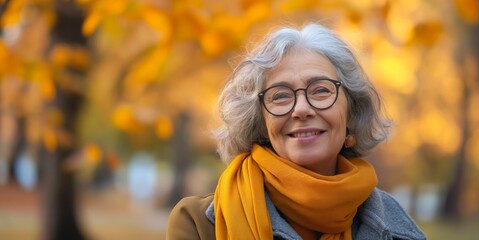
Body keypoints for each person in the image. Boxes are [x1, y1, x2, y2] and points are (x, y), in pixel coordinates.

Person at [166, 23, 426, 240]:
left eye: (321, 90)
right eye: (280, 96)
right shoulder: (199, 224)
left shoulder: (397, 227)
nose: (301, 109)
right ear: (261, 123)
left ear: (352, 113)